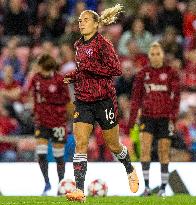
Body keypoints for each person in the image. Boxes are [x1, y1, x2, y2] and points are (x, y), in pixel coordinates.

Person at [63, 4, 139, 202]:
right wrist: (73, 75)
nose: (81, 23)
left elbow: (116, 69)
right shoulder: (78, 45)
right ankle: (80, 190)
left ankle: (130, 169)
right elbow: (83, 71)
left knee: (114, 145)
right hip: (83, 100)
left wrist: (90, 67)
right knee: (81, 143)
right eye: (79, 20)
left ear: (96, 24)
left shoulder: (104, 44)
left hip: (104, 101)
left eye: (86, 19)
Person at [128, 42, 180, 196]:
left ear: (162, 55)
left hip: (165, 118)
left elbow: (176, 97)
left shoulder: (171, 73)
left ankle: (163, 189)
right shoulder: (142, 74)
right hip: (147, 117)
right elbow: (136, 98)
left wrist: (173, 117)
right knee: (145, 150)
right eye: (153, 54)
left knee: (163, 151)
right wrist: (131, 119)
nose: (156, 57)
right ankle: (147, 187)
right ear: (149, 56)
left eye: (158, 54)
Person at [24, 54, 70, 195]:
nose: (37, 69)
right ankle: (47, 183)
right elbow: (26, 92)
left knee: (58, 156)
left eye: (40, 66)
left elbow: (67, 101)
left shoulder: (60, 80)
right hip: (41, 122)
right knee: (41, 153)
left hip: (58, 122)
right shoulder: (36, 78)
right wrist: (34, 107)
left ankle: (61, 185)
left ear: (46, 67)